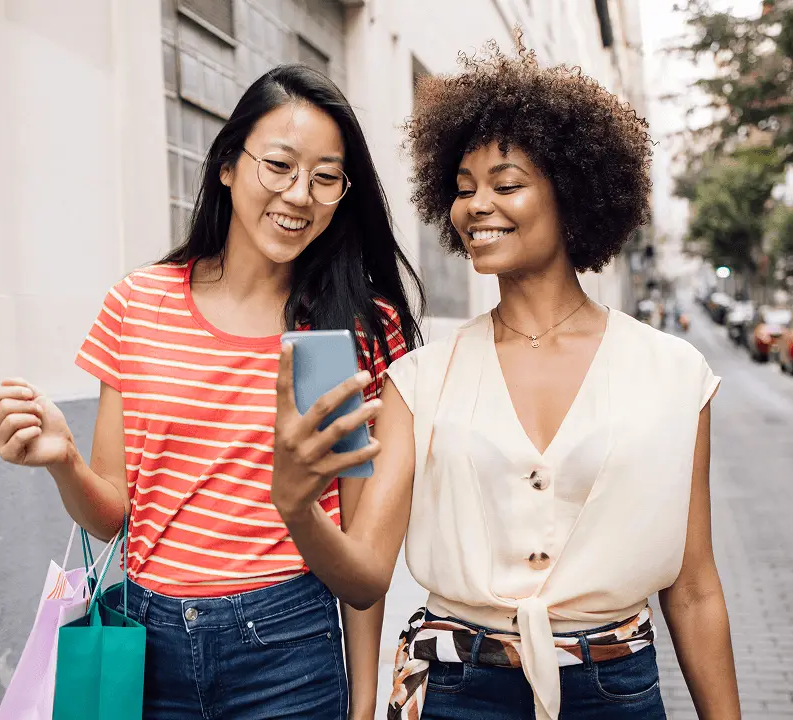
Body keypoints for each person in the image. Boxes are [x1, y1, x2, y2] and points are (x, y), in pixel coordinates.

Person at [270, 37, 740, 720]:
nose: (476, 207)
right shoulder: (417, 379)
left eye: (507, 184)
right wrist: (298, 507)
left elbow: (694, 587)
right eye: (462, 190)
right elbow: (366, 576)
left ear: (573, 192)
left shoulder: (674, 374)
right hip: (458, 693)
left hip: (617, 690)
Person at [0, 64, 424, 719]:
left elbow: (361, 555)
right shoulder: (139, 303)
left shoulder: (358, 325)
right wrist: (64, 461)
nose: (300, 194)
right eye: (278, 165)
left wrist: (362, 703)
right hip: (147, 642)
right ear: (226, 164)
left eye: (326, 177)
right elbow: (111, 516)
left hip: (290, 648)